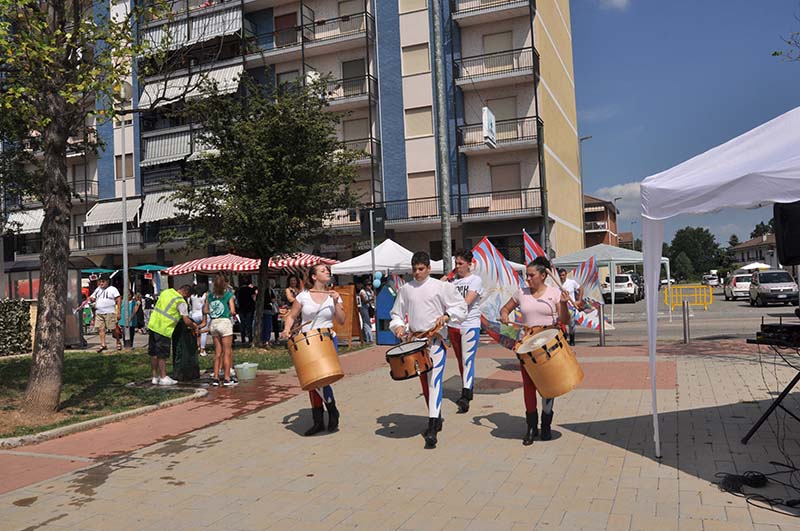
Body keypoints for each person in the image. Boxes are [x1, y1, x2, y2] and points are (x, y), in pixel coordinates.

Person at [390, 251, 467, 449]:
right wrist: (398, 326)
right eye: (414, 269)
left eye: (421, 269)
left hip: (435, 341)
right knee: (425, 382)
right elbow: (396, 313)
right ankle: (436, 416)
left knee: (434, 382)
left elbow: (461, 307)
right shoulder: (406, 289)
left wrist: (447, 315)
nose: (417, 273)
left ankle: (432, 427)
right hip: (415, 342)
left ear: (429, 268)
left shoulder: (441, 287)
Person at [499, 257, 570, 445]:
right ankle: (531, 427)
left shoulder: (554, 293)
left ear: (543, 275)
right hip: (527, 345)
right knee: (529, 386)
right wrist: (504, 315)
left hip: (549, 343)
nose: (527, 279)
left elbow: (565, 320)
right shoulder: (521, 293)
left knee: (548, 386)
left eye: (531, 275)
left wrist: (563, 304)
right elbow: (505, 308)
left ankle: (546, 424)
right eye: (527, 275)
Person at [280, 264, 344, 436]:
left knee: (323, 377)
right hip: (307, 340)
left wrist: (337, 301)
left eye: (327, 270)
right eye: (323, 271)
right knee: (311, 380)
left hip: (327, 339)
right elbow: (292, 316)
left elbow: (341, 320)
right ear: (314, 277)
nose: (327, 272)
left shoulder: (333, 296)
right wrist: (286, 329)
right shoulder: (303, 296)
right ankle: (318, 420)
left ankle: (331, 410)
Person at [448, 249, 484, 414]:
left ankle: (466, 395)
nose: (457, 266)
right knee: (460, 360)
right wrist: (446, 280)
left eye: (461, 263)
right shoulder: (452, 283)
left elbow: (467, 302)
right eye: (456, 263)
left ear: (469, 264)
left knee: (467, 359)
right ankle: (467, 385)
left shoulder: (475, 280)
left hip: (470, 324)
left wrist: (450, 309)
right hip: (454, 325)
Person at [147, 284, 197, 386]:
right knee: (162, 354)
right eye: (187, 296)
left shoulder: (166, 292)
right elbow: (186, 320)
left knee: (154, 353)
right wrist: (194, 326)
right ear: (186, 293)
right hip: (164, 328)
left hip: (153, 325)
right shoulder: (180, 301)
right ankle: (163, 377)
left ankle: (155, 377)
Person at [203, 273, 238, 386]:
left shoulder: (209, 296)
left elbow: (205, 310)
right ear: (225, 284)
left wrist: (214, 312)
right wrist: (227, 313)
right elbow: (232, 310)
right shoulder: (228, 295)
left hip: (214, 323)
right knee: (227, 352)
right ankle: (227, 378)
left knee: (217, 352)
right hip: (224, 322)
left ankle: (216, 377)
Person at [89, 275, 121, 353]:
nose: (101, 283)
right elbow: (92, 298)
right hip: (99, 312)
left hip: (110, 312)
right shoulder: (98, 289)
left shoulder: (113, 289)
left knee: (113, 328)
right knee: (101, 328)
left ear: (107, 282)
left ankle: (118, 340)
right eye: (100, 281)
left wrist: (118, 311)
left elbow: (118, 299)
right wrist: (92, 299)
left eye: (103, 281)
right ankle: (103, 344)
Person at [557, 268, 583, 346]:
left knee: (571, 324)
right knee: (561, 323)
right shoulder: (556, 283)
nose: (562, 277)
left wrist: (579, 300)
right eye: (560, 275)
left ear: (566, 275)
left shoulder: (571, 282)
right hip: (561, 306)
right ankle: (564, 338)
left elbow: (580, 289)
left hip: (570, 306)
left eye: (563, 275)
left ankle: (572, 338)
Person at [236, 277, 256, 346]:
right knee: (249, 324)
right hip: (250, 308)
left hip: (241, 309)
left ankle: (243, 338)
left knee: (242, 324)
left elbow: (237, 300)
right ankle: (250, 338)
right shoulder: (251, 290)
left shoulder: (239, 290)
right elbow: (254, 298)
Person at [190, 286, 208, 356]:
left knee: (196, 332)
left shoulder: (192, 296)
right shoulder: (205, 295)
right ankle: (202, 350)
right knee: (204, 332)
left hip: (194, 314)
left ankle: (197, 346)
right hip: (202, 314)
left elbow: (190, 303)